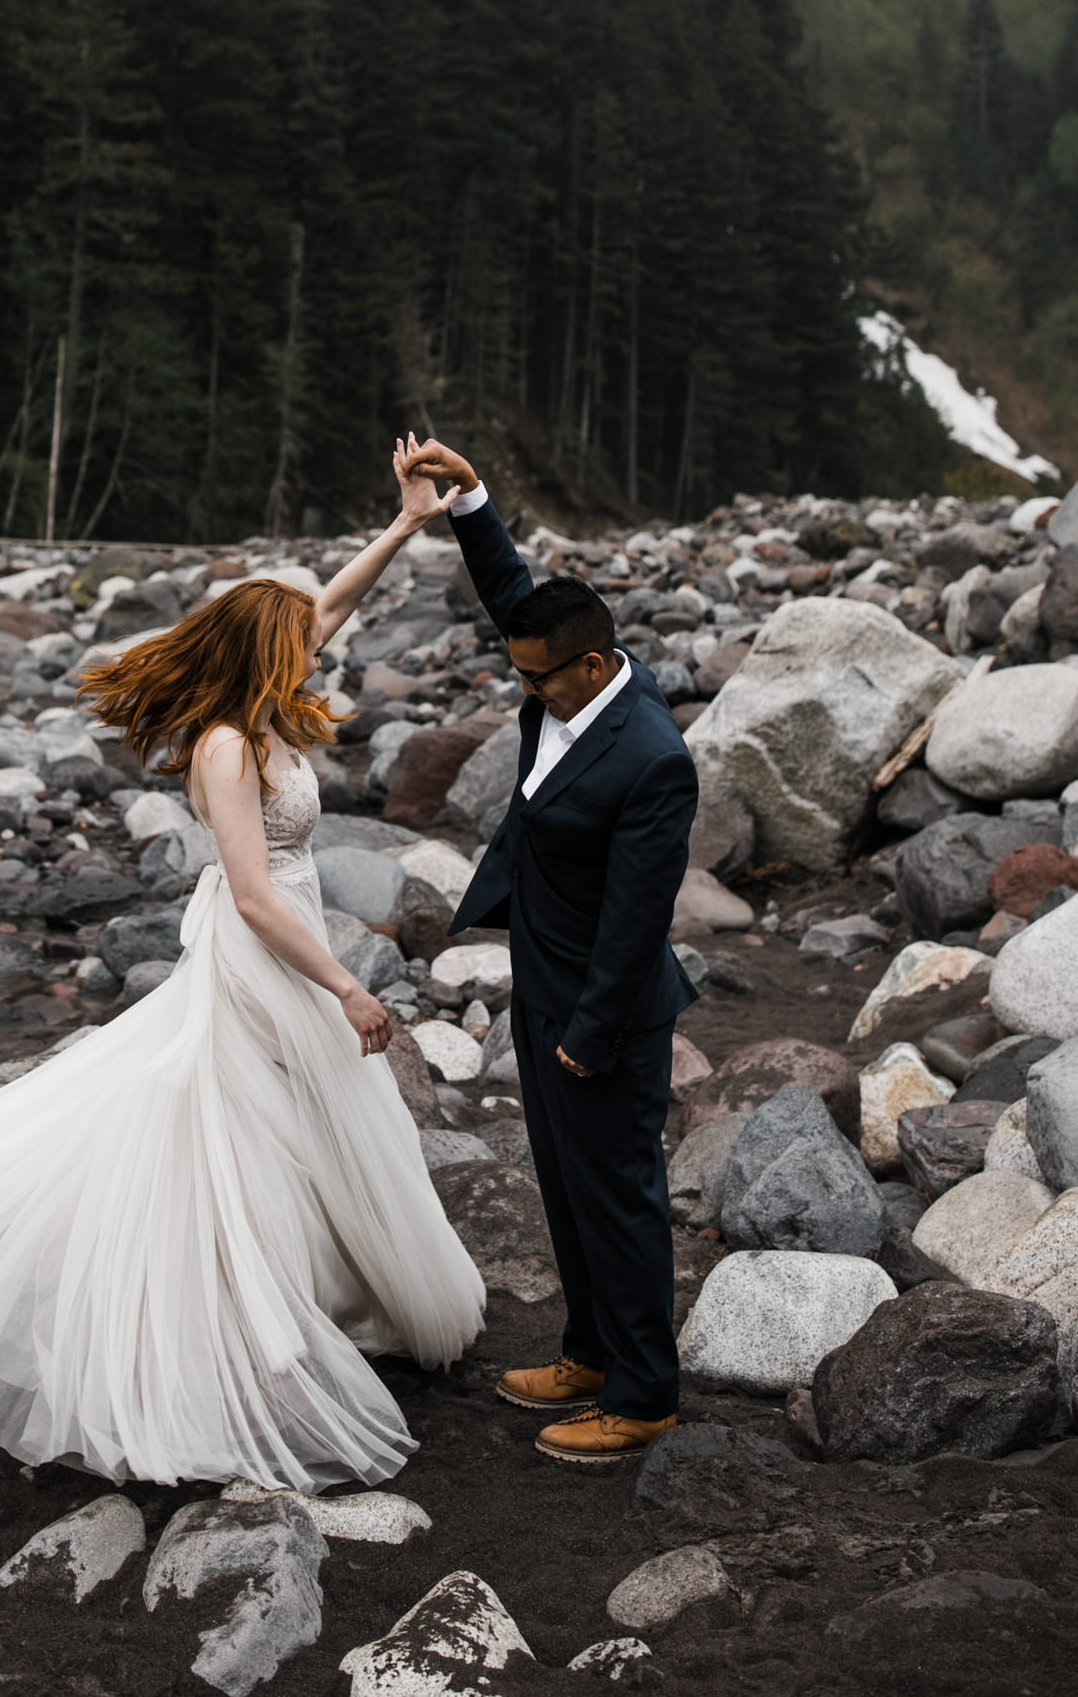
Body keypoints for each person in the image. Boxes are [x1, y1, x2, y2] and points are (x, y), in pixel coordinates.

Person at [0, 451, 484, 1492]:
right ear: (264, 655)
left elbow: (326, 608)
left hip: (291, 939)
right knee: (246, 1140)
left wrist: (408, 521)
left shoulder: (270, 698)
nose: (320, 648)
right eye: (302, 644)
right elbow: (250, 893)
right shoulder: (227, 747)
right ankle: (245, 1339)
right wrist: (346, 982)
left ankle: (318, 1301)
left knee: (309, 1129)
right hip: (261, 951)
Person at [399, 433, 698, 1465]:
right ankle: (586, 1351)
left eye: (540, 680)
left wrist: (587, 1031)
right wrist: (471, 501)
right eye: (519, 676)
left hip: (599, 1013)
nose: (526, 694)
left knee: (617, 1197)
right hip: (542, 981)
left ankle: (644, 1392)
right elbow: (515, 598)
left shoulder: (652, 759)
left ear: (593, 662)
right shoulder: (561, 673)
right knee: (564, 1192)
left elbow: (637, 915)